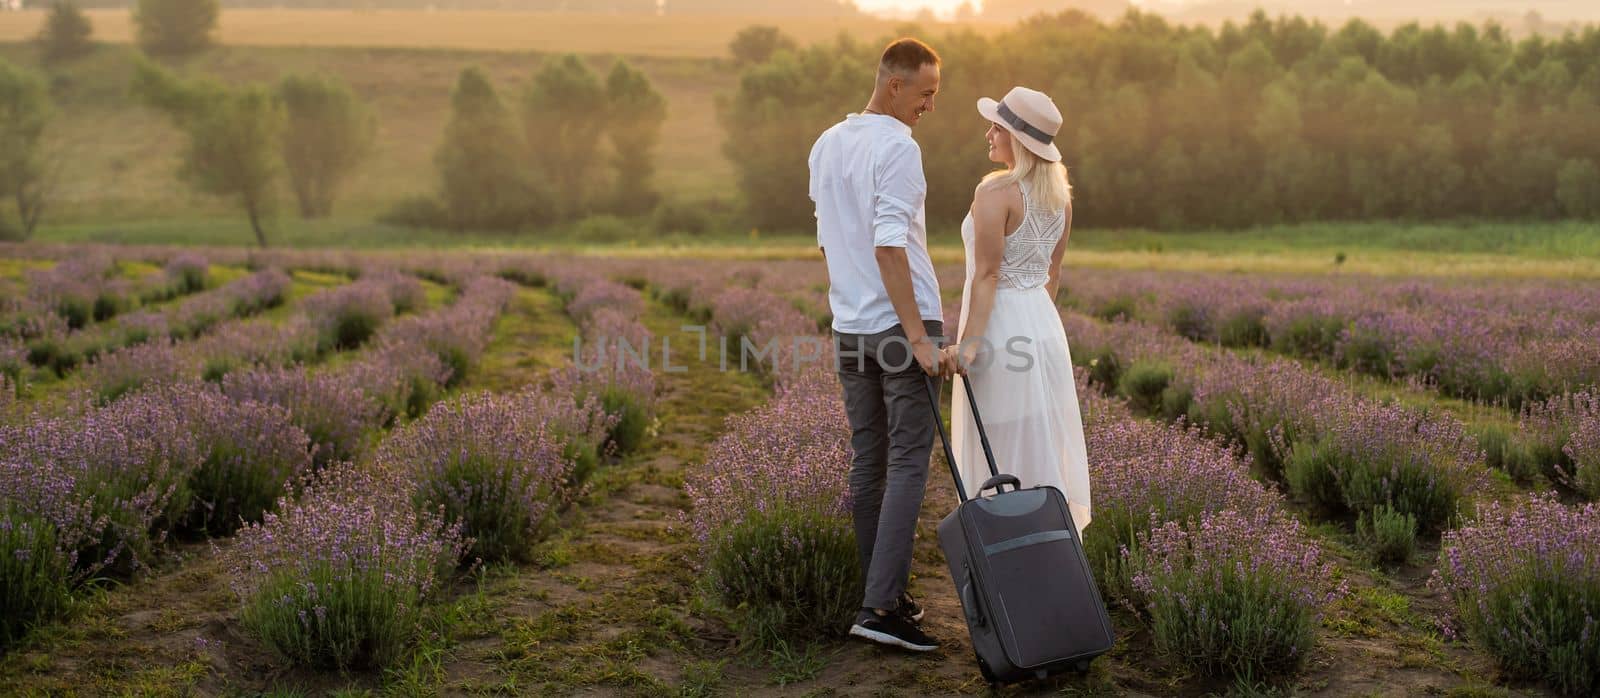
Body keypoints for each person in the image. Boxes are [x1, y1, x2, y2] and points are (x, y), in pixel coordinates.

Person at [809, 37, 955, 653]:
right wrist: (920, 338)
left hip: (850, 326)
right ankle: (880, 606)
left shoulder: (826, 142)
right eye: (925, 93)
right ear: (894, 83)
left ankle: (882, 595)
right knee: (905, 464)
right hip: (902, 325)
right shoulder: (898, 148)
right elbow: (889, 245)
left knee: (869, 459)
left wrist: (854, 306)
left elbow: (826, 240)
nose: (929, 105)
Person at [941, 86, 1092, 539]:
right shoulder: (1059, 199)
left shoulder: (996, 192)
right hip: (1043, 327)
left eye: (997, 128)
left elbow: (986, 276)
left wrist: (967, 345)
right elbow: (1053, 275)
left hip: (1002, 328)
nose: (988, 134)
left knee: (999, 439)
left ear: (1018, 140)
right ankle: (1045, 544)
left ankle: (1003, 542)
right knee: (1037, 434)